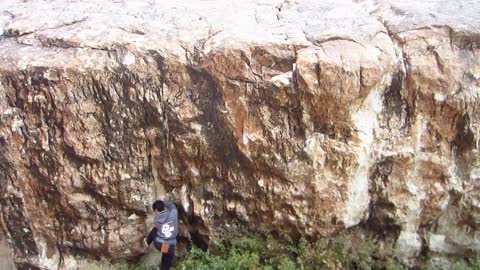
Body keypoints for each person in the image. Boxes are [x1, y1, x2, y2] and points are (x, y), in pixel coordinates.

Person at [146, 198, 178, 270]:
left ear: (156, 210)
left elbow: (159, 227)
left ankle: (148, 241)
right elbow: (172, 205)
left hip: (160, 243)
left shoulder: (157, 219)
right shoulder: (174, 212)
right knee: (167, 261)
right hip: (169, 244)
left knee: (154, 230)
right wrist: (164, 201)